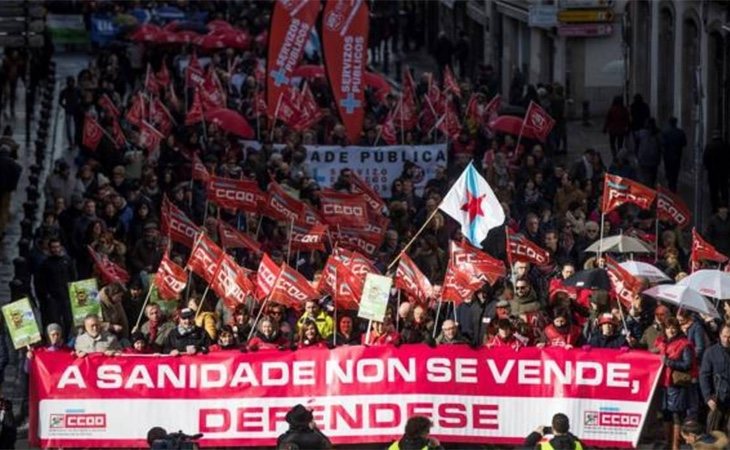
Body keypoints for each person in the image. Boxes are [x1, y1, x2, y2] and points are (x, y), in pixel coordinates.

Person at [656, 317, 698, 450]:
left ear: (678, 328)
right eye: (668, 328)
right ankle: (667, 444)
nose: (671, 330)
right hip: (663, 383)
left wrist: (668, 362)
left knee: (676, 415)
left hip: (676, 385)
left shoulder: (684, 344)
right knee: (665, 415)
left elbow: (687, 364)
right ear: (665, 329)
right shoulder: (661, 343)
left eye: (673, 327)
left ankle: (675, 446)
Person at [700, 325, 730, 436]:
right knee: (714, 436)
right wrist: (708, 397)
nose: (727, 340)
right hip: (717, 399)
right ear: (720, 335)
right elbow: (704, 376)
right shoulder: (711, 352)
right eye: (724, 336)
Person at [704, 130, 730, 213]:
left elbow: (705, 159)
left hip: (712, 172)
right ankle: (725, 206)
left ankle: (714, 207)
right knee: (724, 189)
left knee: (713, 191)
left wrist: (708, 168)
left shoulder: (709, 145)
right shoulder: (725, 145)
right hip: (723, 172)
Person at [661, 117, 687, 193]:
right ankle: (673, 187)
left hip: (668, 157)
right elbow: (684, 143)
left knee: (669, 172)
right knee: (675, 173)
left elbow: (663, 144)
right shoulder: (680, 132)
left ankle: (670, 186)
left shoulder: (666, 132)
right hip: (677, 156)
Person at [0, 144, 21, 238]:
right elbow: (19, 169)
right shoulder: (11, 162)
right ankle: (1, 229)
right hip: (6, 190)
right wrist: (13, 185)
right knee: (4, 210)